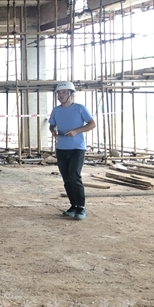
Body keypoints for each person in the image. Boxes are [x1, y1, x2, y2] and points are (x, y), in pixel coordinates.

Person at [49, 81, 96, 221]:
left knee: (74, 176)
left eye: (64, 92)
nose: (60, 95)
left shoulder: (80, 108)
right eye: (59, 93)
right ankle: (73, 205)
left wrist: (76, 131)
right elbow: (52, 125)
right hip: (61, 148)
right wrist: (53, 130)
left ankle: (81, 207)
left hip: (77, 148)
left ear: (71, 94)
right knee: (67, 178)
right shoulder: (56, 110)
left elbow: (92, 124)